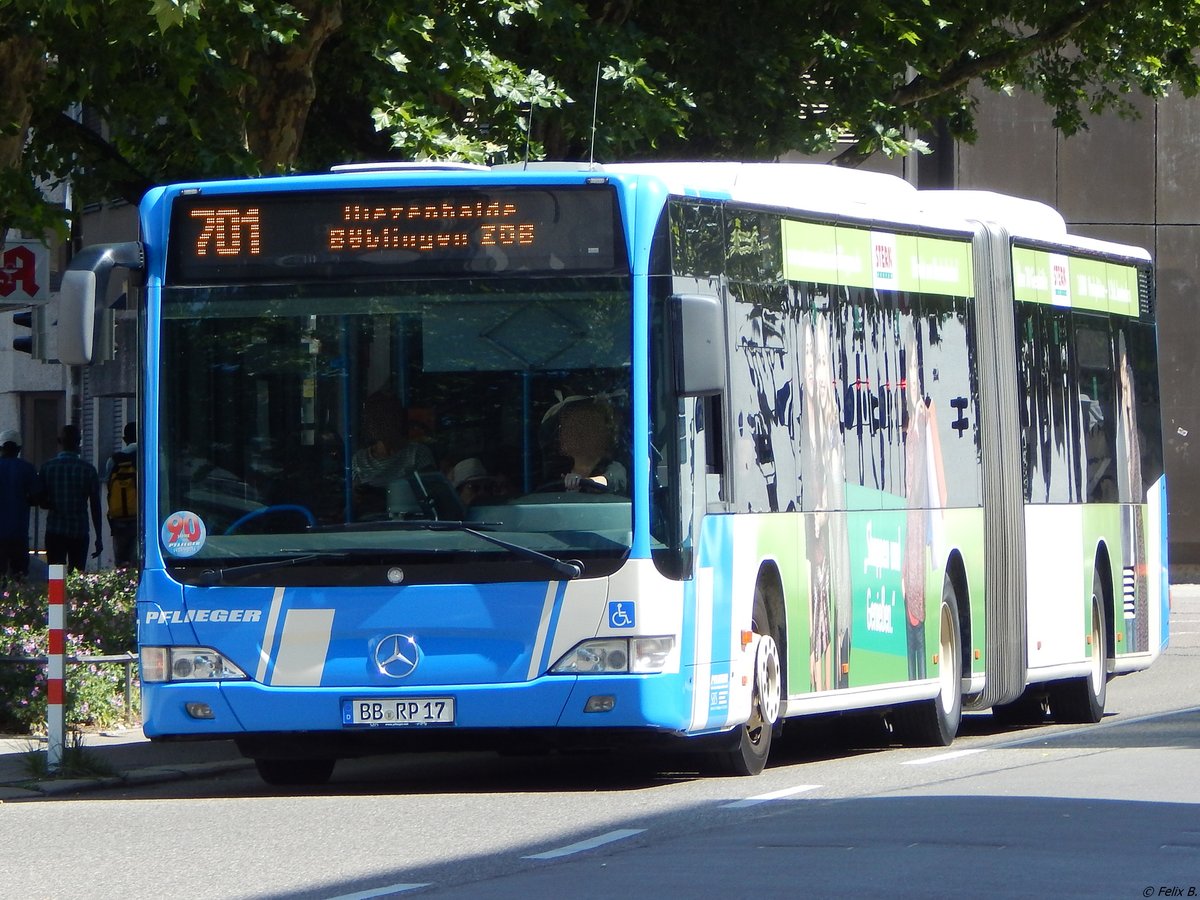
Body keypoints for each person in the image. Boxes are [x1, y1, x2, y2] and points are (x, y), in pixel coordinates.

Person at [36, 424, 103, 573]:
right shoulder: (88, 470)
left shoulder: (47, 468)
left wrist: (52, 504)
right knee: (77, 575)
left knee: (55, 574)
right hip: (79, 530)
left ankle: (55, 597)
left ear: (60, 441)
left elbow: (40, 499)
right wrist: (99, 536)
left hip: (55, 529)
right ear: (78, 442)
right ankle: (75, 596)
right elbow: (95, 505)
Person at [554, 398, 627, 493]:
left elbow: (612, 481)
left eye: (578, 427)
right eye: (565, 426)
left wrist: (584, 482)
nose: (566, 433)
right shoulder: (557, 471)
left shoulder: (615, 468)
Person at [0, 429, 38, 581]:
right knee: (20, 577)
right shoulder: (27, 469)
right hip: (19, 533)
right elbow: (37, 497)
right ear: (18, 449)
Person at [104, 421, 138, 568]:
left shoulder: (114, 460)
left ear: (125, 439)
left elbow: (109, 485)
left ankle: (123, 586)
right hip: (141, 517)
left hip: (118, 517)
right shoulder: (149, 455)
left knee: (122, 562)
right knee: (140, 560)